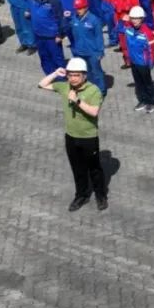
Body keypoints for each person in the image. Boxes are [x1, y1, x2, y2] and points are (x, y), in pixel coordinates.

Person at [38, 57, 107, 212]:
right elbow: (42, 84)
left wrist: (77, 101)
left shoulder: (94, 90)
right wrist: (55, 73)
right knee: (77, 168)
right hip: (71, 136)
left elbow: (94, 112)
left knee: (94, 169)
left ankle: (101, 195)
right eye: (70, 75)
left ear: (84, 76)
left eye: (76, 75)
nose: (73, 78)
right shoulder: (65, 87)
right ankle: (81, 195)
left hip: (88, 137)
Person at [68, 0, 107, 96]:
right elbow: (72, 34)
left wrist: (100, 51)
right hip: (79, 52)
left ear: (86, 7)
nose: (78, 11)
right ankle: (89, 89)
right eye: (77, 9)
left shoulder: (94, 20)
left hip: (92, 52)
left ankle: (101, 91)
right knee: (85, 73)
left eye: (80, 8)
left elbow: (99, 37)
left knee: (96, 72)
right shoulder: (74, 19)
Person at [124, 6, 154, 113]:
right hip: (133, 61)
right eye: (133, 18)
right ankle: (143, 100)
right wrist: (122, 21)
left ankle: (151, 102)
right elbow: (118, 30)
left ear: (142, 19)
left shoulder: (146, 32)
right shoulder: (128, 28)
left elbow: (152, 50)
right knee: (138, 83)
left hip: (143, 63)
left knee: (147, 83)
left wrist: (151, 62)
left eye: (137, 18)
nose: (135, 21)